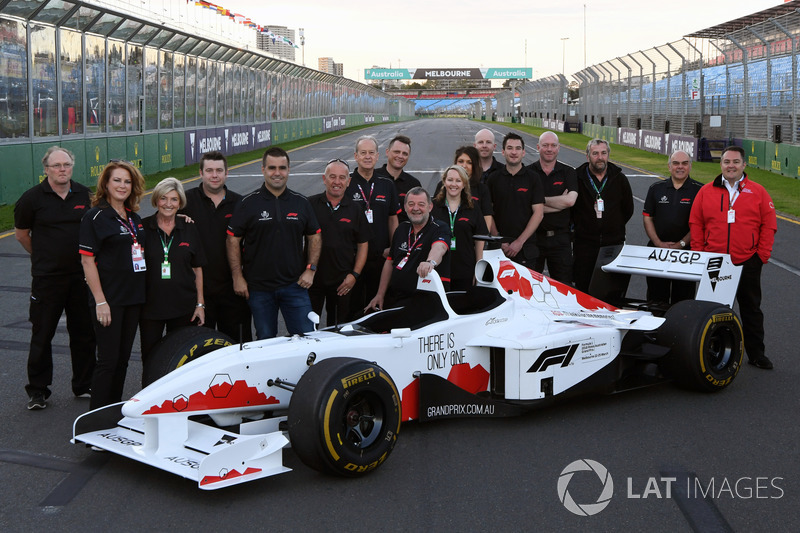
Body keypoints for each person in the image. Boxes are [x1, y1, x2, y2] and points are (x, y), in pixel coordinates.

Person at [14, 146, 95, 410]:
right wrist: (43, 257)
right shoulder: (31, 199)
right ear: (46, 169)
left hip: (81, 278)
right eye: (56, 165)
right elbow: (22, 234)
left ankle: (84, 384)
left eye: (67, 165)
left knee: (83, 334)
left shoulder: (85, 194)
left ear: (72, 167)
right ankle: (38, 391)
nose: (62, 170)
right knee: (42, 334)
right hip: (47, 279)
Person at [689, 146, 777, 370]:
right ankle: (710, 354)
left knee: (751, 310)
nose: (731, 166)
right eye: (727, 162)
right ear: (721, 165)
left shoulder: (758, 192)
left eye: (736, 162)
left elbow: (769, 225)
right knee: (711, 312)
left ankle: (757, 354)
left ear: (744, 165)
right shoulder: (706, 191)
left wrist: (761, 255)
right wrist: (701, 254)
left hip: (747, 260)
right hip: (715, 262)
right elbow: (696, 223)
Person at [227, 147, 321, 340]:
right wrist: (237, 276)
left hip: (295, 286)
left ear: (288, 170)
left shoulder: (301, 202)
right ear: (263, 170)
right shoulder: (247, 203)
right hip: (259, 288)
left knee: (307, 339)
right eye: (272, 168)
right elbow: (232, 240)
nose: (277, 173)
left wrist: (311, 269)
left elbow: (315, 236)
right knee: (266, 342)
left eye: (282, 168)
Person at [79, 160, 146, 410]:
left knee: (123, 361)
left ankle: (112, 414)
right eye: (117, 180)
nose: (122, 185)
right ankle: (93, 421)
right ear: (105, 184)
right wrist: (100, 301)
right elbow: (87, 262)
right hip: (109, 300)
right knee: (107, 360)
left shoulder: (134, 217)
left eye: (127, 181)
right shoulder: (94, 217)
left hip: (133, 298)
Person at [140, 178, 206, 386]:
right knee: (150, 357)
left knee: (181, 358)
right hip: (151, 307)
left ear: (180, 203)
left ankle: (177, 398)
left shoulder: (189, 227)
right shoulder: (143, 228)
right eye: (163, 198)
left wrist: (200, 304)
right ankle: (149, 398)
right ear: (155, 200)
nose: (168, 204)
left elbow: (197, 268)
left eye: (174, 199)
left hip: (183, 306)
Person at [182, 151, 252, 342]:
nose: (214, 175)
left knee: (238, 347)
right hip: (198, 291)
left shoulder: (241, 203)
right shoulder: (185, 202)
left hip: (233, 290)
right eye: (209, 170)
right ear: (201, 173)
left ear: (226, 173)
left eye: (219, 170)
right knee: (198, 351)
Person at [367, 187, 450, 311]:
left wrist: (430, 262)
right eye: (411, 204)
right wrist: (380, 294)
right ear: (405, 207)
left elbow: (440, 247)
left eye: (421, 204)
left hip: (426, 300)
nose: (415, 208)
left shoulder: (440, 228)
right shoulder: (402, 229)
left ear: (430, 207)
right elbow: (390, 262)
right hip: (397, 298)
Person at [309, 159, 370, 326]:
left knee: (337, 328)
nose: (337, 182)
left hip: (342, 281)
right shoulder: (310, 204)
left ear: (348, 181)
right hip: (312, 280)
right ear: (324, 178)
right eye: (332, 177)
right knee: (307, 327)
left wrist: (354, 275)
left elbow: (363, 244)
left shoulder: (356, 209)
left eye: (342, 178)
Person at [346, 135, 401, 317]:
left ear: (378, 157)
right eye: (363, 153)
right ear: (356, 156)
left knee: (376, 308)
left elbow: (393, 219)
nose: (367, 157)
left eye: (371, 153)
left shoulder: (387, 184)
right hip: (352, 260)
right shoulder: (346, 184)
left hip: (380, 258)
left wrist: (393, 250)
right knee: (352, 309)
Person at [572, 139, 634, 293]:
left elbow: (628, 209)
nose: (600, 157)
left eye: (603, 153)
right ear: (587, 156)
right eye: (595, 153)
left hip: (612, 244)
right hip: (584, 245)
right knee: (583, 291)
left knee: (611, 291)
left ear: (608, 155)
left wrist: (613, 226)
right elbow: (571, 211)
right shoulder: (576, 178)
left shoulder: (620, 179)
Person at [642, 150, 703, 304]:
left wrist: (681, 244)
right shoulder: (656, 188)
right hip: (657, 252)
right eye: (676, 163)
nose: (680, 167)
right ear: (669, 167)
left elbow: (701, 223)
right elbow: (647, 217)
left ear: (690, 166)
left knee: (683, 301)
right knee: (656, 299)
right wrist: (658, 243)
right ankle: (655, 328)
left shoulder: (700, 191)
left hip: (687, 254)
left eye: (684, 163)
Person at [486, 132, 544, 267]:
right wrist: (499, 240)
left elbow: (538, 213)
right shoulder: (493, 178)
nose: (514, 152)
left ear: (523, 152)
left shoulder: (533, 178)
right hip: (498, 249)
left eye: (518, 148)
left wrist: (519, 242)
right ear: (503, 152)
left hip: (525, 249)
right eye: (510, 148)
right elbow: (488, 212)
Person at [527, 131, 578, 284]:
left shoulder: (569, 172)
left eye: (553, 145)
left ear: (558, 148)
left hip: (561, 239)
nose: (549, 149)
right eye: (545, 145)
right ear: (538, 147)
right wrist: (558, 203)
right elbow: (524, 206)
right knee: (531, 286)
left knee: (564, 287)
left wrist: (538, 202)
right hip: (534, 238)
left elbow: (569, 201)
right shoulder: (528, 172)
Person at [432, 165, 487, 291]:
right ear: (444, 182)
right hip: (438, 270)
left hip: (465, 269)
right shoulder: (434, 206)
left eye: (458, 180)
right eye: (450, 180)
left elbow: (479, 239)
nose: (453, 184)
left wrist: (478, 269)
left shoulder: (472, 207)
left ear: (464, 184)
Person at [375, 135, 421, 209]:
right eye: (397, 152)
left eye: (405, 154)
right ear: (387, 152)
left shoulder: (414, 184)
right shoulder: (372, 177)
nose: (400, 156)